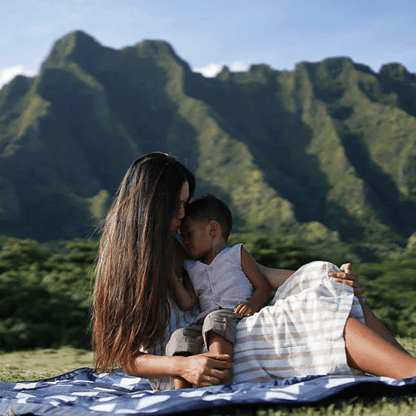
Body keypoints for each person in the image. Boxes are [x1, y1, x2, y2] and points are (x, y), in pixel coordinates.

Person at [92, 152, 416, 391]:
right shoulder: (129, 264)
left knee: (323, 278)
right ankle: (409, 373)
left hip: (228, 328)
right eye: (177, 205)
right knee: (304, 316)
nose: (181, 214)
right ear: (153, 205)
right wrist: (184, 365)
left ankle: (408, 373)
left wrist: (331, 279)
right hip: (195, 358)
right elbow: (127, 359)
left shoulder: (180, 246)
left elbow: (261, 275)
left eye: (184, 204)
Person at [166, 195, 272, 388]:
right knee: (180, 335)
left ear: (212, 229)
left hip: (234, 314)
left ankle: (221, 382)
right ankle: (180, 394)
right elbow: (188, 302)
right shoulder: (192, 267)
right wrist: (171, 275)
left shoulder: (237, 254)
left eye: (189, 234)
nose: (186, 242)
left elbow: (263, 286)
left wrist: (252, 305)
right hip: (203, 323)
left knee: (216, 319)